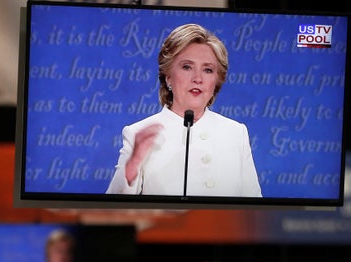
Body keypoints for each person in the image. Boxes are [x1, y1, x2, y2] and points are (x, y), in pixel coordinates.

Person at [105, 23, 262, 197]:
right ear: (169, 77)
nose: (197, 78)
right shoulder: (138, 133)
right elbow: (113, 206)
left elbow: (255, 206)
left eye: (208, 70)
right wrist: (133, 164)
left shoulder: (235, 132)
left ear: (216, 82)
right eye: (187, 67)